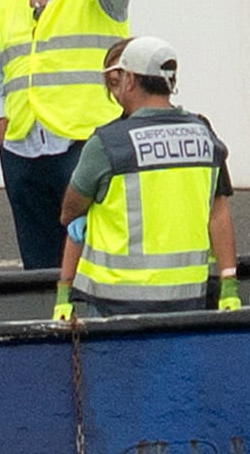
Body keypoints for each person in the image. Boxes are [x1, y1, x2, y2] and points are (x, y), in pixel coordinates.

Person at [0, 0, 135, 274]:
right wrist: (0, 117)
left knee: (94, 252)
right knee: (37, 263)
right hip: (24, 142)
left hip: (83, 139)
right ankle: (47, 325)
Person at [52, 35, 238, 321]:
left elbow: (70, 213)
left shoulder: (107, 143)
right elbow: (218, 211)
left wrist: (64, 293)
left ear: (129, 80)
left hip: (113, 304)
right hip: (188, 299)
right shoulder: (203, 135)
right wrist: (229, 284)